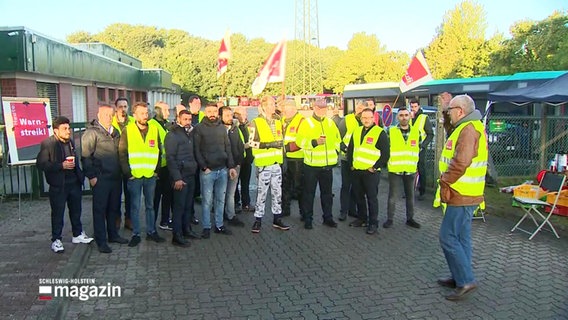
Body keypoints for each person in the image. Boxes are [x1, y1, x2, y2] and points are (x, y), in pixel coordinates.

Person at [433, 94, 488, 301]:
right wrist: (445, 107)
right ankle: (460, 276)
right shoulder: (468, 126)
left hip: (460, 193)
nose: (449, 113)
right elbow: (449, 129)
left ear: (460, 111)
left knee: (447, 237)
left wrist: (445, 181)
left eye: (451, 110)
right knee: (461, 237)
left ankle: (465, 279)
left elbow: (461, 162)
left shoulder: (468, 130)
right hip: (467, 194)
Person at [37, 116, 93, 253]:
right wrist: (60, 165)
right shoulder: (48, 144)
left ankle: (77, 234)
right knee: (58, 213)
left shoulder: (71, 142)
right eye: (65, 129)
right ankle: (56, 240)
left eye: (69, 128)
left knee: (76, 210)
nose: (68, 131)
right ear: (56, 131)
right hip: (59, 185)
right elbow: (41, 164)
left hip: (74, 182)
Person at [81, 105, 129, 253]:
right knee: (100, 210)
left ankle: (113, 235)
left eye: (111, 115)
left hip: (115, 178)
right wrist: (92, 176)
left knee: (113, 209)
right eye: (105, 115)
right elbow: (85, 156)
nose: (109, 117)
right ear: (99, 115)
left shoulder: (115, 132)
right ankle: (101, 241)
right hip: (101, 178)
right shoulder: (91, 133)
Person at [118, 101, 166, 247]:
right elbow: (122, 153)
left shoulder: (154, 129)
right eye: (142, 113)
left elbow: (158, 150)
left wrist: (156, 171)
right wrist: (128, 173)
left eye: (146, 113)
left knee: (150, 205)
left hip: (151, 175)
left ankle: (151, 232)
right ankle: (136, 234)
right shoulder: (128, 130)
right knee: (135, 206)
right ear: (135, 114)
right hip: (135, 176)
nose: (145, 116)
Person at [194, 103, 238, 239]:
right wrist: (203, 167)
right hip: (208, 172)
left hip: (222, 170)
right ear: (205, 113)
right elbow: (196, 150)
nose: (212, 114)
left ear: (217, 113)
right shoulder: (199, 128)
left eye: (214, 111)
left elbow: (228, 147)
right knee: (207, 201)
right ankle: (206, 227)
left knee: (220, 200)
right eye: (209, 111)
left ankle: (219, 225)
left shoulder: (221, 128)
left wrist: (230, 166)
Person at [297, 98, 341, 229]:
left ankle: (328, 218)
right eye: (319, 108)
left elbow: (337, 139)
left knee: (327, 194)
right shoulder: (306, 123)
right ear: (314, 108)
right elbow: (299, 141)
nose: (322, 110)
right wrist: (314, 142)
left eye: (324, 108)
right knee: (309, 193)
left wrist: (336, 151)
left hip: (327, 165)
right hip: (311, 165)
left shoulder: (330, 123)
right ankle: (308, 218)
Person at [248, 96, 290, 233]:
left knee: (278, 193)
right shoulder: (255, 122)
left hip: (276, 163)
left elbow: (282, 142)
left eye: (274, 104)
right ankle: (258, 220)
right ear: (264, 106)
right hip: (264, 165)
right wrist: (269, 145)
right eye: (271, 104)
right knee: (262, 193)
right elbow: (251, 143)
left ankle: (277, 218)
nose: (273, 106)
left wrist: (283, 160)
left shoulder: (278, 122)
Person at [346, 108, 390, 235]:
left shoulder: (379, 132)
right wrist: (351, 165)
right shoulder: (357, 131)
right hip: (357, 171)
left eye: (368, 117)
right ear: (361, 119)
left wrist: (375, 167)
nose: (366, 120)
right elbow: (350, 150)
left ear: (373, 118)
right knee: (359, 197)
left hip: (371, 172)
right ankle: (362, 219)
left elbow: (385, 154)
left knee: (371, 198)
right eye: (364, 118)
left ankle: (373, 223)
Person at [164, 110, 201, 247]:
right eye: (185, 119)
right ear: (178, 119)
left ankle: (187, 230)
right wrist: (177, 178)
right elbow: (170, 158)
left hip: (190, 174)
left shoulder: (190, 134)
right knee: (179, 207)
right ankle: (177, 235)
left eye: (189, 119)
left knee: (187, 206)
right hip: (180, 176)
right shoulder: (172, 135)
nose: (187, 122)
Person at [384, 107, 421, 229]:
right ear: (397, 117)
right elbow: (386, 148)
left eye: (406, 115)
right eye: (401, 115)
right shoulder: (391, 131)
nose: (404, 117)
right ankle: (390, 219)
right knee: (392, 196)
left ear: (410, 116)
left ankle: (410, 218)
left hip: (410, 169)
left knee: (410, 196)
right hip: (395, 169)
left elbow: (418, 148)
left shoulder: (416, 132)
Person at [338, 100, 365, 221]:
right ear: (355, 108)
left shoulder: (366, 121)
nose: (360, 111)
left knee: (356, 186)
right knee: (345, 185)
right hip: (346, 158)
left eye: (362, 109)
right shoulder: (347, 120)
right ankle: (343, 211)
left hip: (360, 160)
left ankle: (352, 210)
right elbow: (338, 137)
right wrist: (345, 148)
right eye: (358, 108)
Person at [148, 101, 173, 231]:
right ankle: (151, 225)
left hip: (167, 166)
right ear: (158, 111)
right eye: (166, 110)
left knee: (167, 195)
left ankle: (165, 221)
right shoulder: (152, 125)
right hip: (156, 168)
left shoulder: (166, 124)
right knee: (155, 198)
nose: (168, 113)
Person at [219, 106, 245, 227]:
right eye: (227, 115)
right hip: (222, 166)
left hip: (235, 166)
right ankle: (220, 216)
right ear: (221, 117)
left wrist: (238, 163)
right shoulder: (218, 130)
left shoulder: (235, 129)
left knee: (231, 193)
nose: (230, 118)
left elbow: (240, 146)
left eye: (231, 115)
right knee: (220, 193)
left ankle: (231, 215)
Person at [112, 97, 135, 231]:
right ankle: (116, 219)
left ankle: (129, 219)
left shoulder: (132, 122)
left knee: (130, 194)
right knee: (116, 194)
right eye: (120, 106)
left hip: (129, 163)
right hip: (114, 163)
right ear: (116, 108)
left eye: (125, 106)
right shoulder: (111, 122)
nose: (123, 109)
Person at [281, 99, 305, 218]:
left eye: (288, 108)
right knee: (285, 185)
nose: (285, 111)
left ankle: (303, 212)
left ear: (294, 109)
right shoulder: (282, 120)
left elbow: (302, 141)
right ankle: (285, 209)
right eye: (284, 108)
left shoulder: (301, 121)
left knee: (299, 187)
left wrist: (285, 148)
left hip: (297, 159)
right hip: (285, 159)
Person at [410, 99, 434, 200]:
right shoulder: (409, 117)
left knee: (421, 169)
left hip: (420, 149)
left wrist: (423, 145)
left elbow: (430, 134)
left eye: (415, 107)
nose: (413, 109)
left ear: (419, 106)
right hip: (410, 148)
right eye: (412, 107)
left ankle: (422, 191)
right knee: (409, 170)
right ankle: (409, 190)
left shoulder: (424, 118)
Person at [234, 106, 254, 212]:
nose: (245, 115)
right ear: (236, 114)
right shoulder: (234, 126)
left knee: (245, 183)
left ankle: (246, 203)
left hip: (247, 160)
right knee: (235, 184)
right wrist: (244, 146)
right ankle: (236, 203)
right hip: (238, 160)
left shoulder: (248, 125)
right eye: (242, 113)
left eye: (246, 113)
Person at [189, 95, 205, 206]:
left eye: (199, 104)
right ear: (190, 104)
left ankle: (198, 194)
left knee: (200, 173)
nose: (198, 106)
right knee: (192, 174)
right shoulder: (186, 115)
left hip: (201, 149)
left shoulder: (203, 116)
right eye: (196, 104)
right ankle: (192, 194)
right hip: (190, 149)